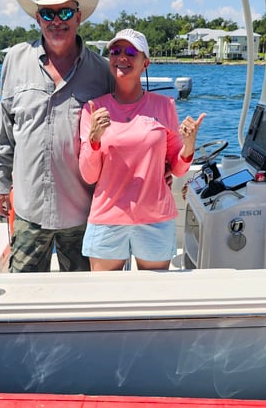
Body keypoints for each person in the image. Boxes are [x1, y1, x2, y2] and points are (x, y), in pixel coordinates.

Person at [0, 0, 113, 272]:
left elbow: (124, 132)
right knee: (23, 298)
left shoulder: (103, 71)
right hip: (29, 210)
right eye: (48, 13)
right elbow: (5, 130)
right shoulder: (14, 60)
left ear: (78, 16)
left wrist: (160, 167)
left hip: (84, 213)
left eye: (65, 12)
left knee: (86, 302)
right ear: (37, 18)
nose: (57, 21)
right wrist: (0, 181)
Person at [78, 28, 206, 271]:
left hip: (155, 219)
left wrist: (189, 145)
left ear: (145, 62)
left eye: (131, 52)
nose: (122, 57)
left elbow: (178, 168)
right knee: (106, 299)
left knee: (153, 298)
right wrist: (94, 140)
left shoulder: (164, 105)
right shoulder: (93, 109)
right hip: (107, 219)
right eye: (116, 51)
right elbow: (89, 175)